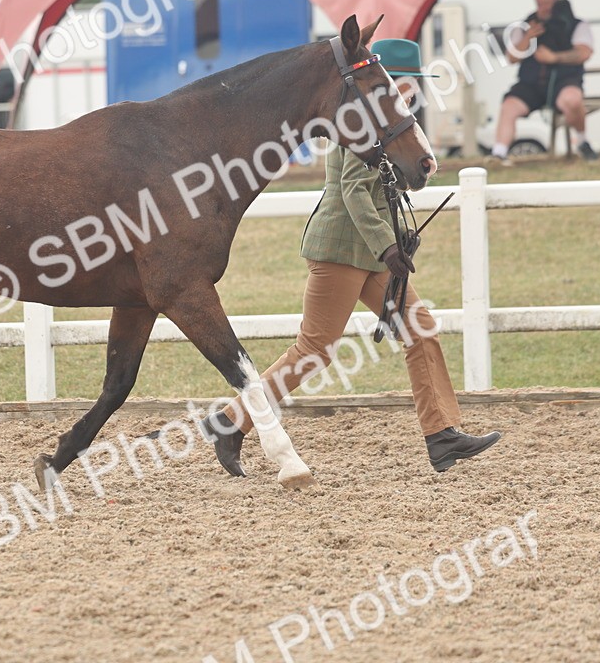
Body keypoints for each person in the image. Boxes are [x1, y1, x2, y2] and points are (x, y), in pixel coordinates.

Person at [205, 39, 501, 475]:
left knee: (421, 331)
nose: (414, 93)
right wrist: (387, 245)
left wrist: (398, 236)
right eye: (409, 85)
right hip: (342, 250)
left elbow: (381, 191)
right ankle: (231, 421)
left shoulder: (390, 125)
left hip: (371, 252)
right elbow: (352, 190)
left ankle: (441, 435)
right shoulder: (363, 123)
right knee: (314, 351)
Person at [491, 0, 597, 164]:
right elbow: (512, 57)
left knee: (572, 99)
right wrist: (528, 38)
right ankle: (498, 154)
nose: (544, 8)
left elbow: (584, 53)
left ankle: (582, 141)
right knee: (508, 106)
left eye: (548, 3)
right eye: (540, 4)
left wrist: (554, 57)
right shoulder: (526, 26)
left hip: (564, 80)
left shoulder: (576, 24)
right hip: (532, 84)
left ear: (556, 1)